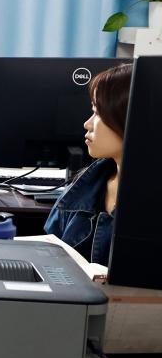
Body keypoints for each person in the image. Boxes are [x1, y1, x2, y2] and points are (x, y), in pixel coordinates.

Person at [44, 63, 132, 264]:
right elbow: (48, 254)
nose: (87, 124)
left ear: (129, 118)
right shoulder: (84, 184)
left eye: (98, 113)